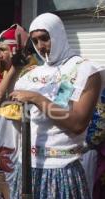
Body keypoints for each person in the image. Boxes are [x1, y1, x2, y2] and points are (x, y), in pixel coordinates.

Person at [10, 13, 105, 199]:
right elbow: (1, 101)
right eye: (35, 41)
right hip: (27, 167)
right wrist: (14, 68)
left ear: (58, 34)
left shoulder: (83, 69)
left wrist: (37, 98)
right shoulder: (33, 73)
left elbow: (77, 124)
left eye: (45, 38)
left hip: (61, 169)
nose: (40, 46)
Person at [0, 24, 37, 199]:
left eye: (2, 50)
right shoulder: (1, 75)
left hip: (15, 149)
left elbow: (7, 107)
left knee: (9, 191)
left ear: (16, 51)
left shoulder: (30, 74)